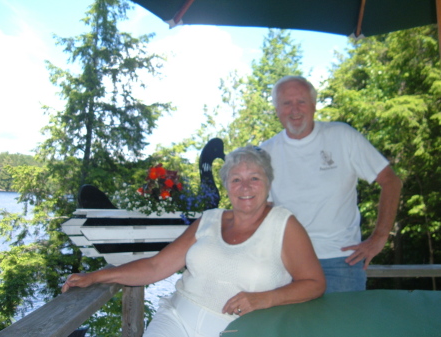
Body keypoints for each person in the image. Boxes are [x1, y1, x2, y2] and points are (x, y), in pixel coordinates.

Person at [62, 145, 325, 337]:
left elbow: (314, 284)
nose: (245, 187)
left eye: (254, 178)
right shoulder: (208, 220)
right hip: (176, 320)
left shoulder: (284, 225)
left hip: (240, 330)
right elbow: (155, 267)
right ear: (226, 186)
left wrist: (263, 299)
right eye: (236, 180)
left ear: (268, 183)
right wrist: (97, 277)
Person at [261, 76, 402, 294]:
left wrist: (379, 237)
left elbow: (391, 181)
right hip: (287, 264)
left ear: (314, 105)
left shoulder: (342, 136)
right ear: (276, 109)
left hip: (340, 262)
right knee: (294, 329)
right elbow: (264, 211)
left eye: (301, 102)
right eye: (286, 103)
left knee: (343, 328)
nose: (294, 110)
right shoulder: (266, 152)